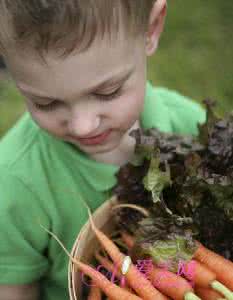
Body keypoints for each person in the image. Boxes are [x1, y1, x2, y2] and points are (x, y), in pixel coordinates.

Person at [0, 0, 206, 299]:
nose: (83, 126)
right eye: (45, 103)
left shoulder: (188, 124)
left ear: (150, 29)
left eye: (107, 92)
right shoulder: (13, 184)